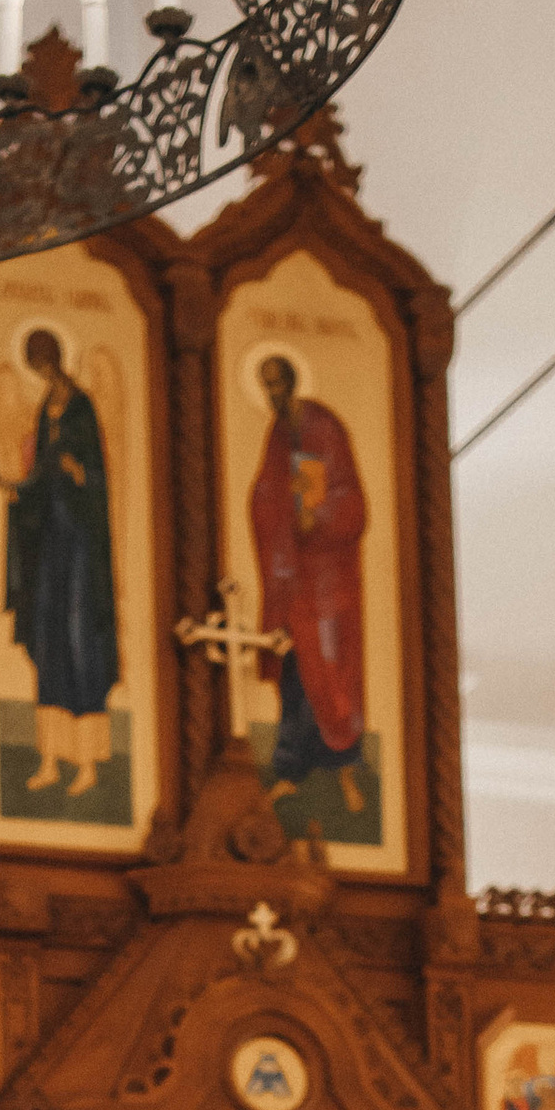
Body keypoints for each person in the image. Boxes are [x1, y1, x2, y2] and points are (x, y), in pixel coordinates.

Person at [246, 351, 368, 821]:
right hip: (294, 579)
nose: (272, 395)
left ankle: (345, 770)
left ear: (293, 383)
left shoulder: (324, 428)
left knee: (335, 672)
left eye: (277, 385)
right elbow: (267, 491)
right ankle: (290, 772)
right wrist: (276, 507)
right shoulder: (279, 433)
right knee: (296, 674)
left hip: (328, 580)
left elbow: (353, 502)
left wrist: (317, 515)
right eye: (266, 387)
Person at [0, 326, 119, 799]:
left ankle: (87, 760)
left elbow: (95, 475)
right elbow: (41, 472)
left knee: (80, 639)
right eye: (33, 363)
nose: (40, 369)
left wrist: (81, 473)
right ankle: (50, 758)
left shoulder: (81, 407)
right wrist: (19, 492)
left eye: (42, 360)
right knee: (49, 641)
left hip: (81, 547)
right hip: (50, 542)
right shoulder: (44, 407)